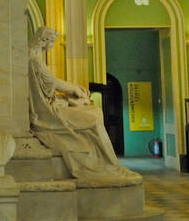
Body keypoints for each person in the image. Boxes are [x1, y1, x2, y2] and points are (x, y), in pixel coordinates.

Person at [26, 26, 134, 181]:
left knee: (93, 113)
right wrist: (73, 88)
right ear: (44, 40)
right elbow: (51, 83)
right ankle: (109, 165)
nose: (52, 46)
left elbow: (49, 85)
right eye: (52, 42)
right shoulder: (34, 58)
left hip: (51, 106)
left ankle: (110, 164)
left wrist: (72, 91)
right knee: (95, 116)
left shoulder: (34, 56)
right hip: (47, 113)